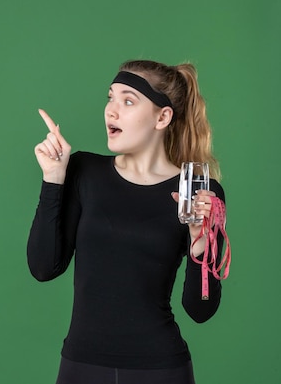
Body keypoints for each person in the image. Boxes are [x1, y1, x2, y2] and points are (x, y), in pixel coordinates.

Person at [27, 59, 226, 384]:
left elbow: (200, 310)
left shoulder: (198, 191)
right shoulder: (83, 172)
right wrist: (53, 179)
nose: (111, 110)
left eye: (128, 100)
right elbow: (43, 268)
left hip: (162, 369)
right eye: (111, 97)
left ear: (162, 117)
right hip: (82, 366)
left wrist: (200, 241)